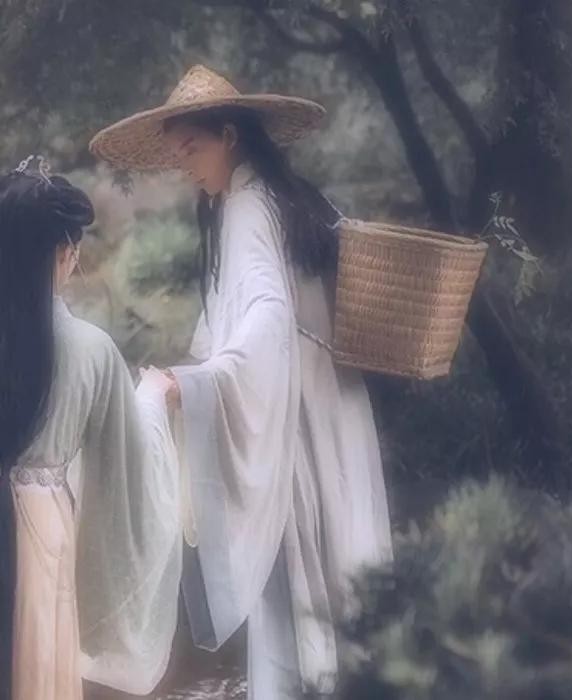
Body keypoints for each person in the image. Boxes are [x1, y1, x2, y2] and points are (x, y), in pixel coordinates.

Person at [90, 65, 393, 698]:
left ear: (228, 135)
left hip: (295, 408)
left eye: (191, 149)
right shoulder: (280, 196)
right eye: (178, 155)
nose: (185, 166)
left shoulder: (249, 206)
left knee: (295, 567)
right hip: (322, 397)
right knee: (332, 557)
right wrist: (205, 366)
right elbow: (243, 311)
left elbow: (266, 317)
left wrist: (198, 383)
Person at [0, 158, 183, 700]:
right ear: (65, 254)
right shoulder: (90, 349)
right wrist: (153, 395)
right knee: (34, 664)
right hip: (37, 526)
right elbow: (133, 460)